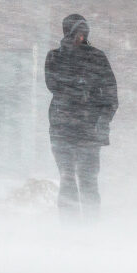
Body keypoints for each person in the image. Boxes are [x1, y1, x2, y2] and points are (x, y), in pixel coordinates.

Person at [45, 14, 118, 223]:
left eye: (84, 32)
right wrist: (81, 84)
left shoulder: (97, 57)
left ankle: (90, 227)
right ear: (67, 33)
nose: (81, 36)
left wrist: (103, 121)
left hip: (88, 131)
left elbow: (111, 95)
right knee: (67, 179)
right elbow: (53, 85)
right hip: (62, 129)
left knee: (88, 181)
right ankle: (70, 227)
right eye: (77, 32)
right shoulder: (55, 57)